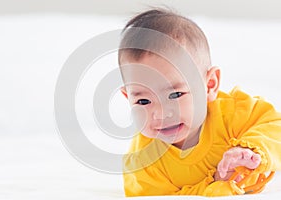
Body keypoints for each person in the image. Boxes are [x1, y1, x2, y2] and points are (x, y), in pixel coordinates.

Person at [118, 7, 281, 196]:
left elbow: (275, 126)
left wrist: (250, 149)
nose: (162, 113)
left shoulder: (232, 113)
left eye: (175, 95)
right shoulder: (143, 163)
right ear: (128, 98)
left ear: (210, 85)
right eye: (144, 101)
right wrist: (217, 183)